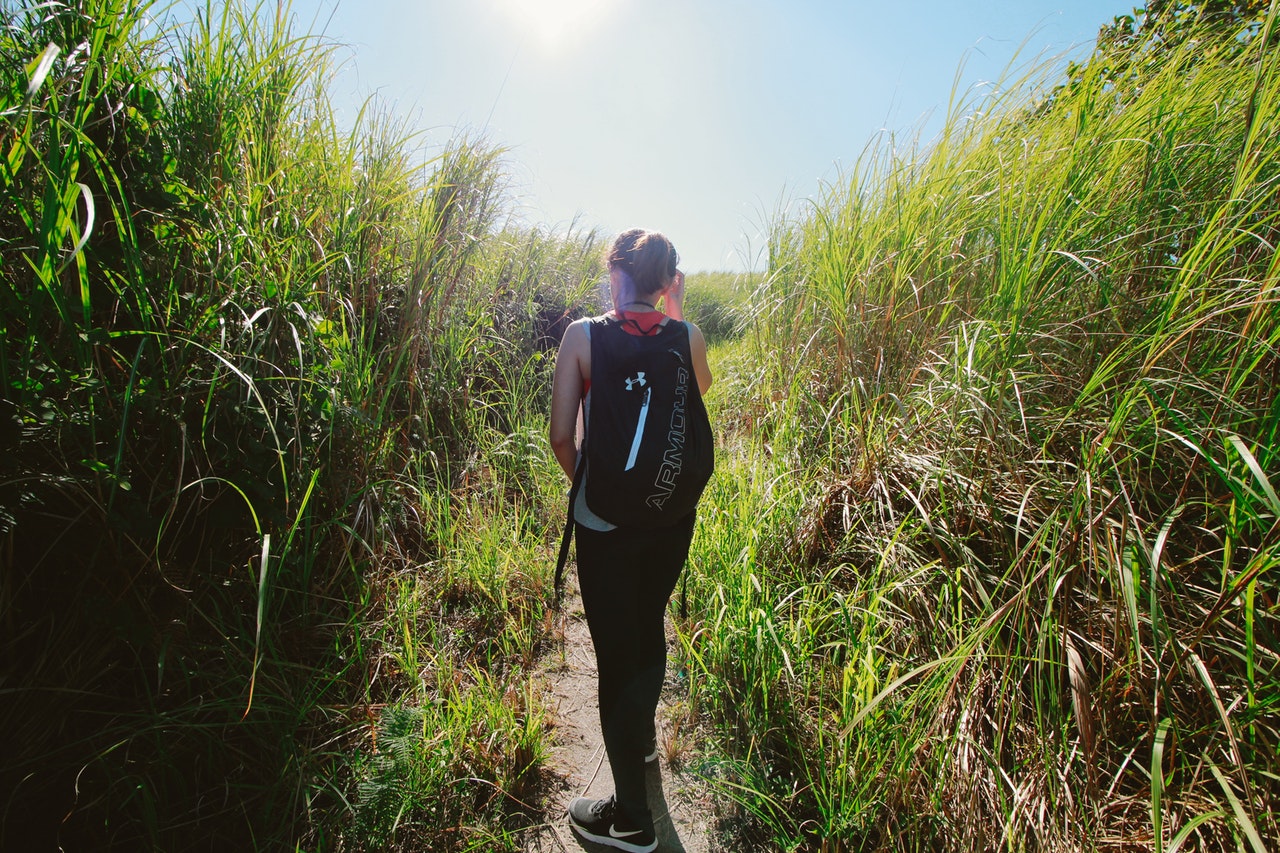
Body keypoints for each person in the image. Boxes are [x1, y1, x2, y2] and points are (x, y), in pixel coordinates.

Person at [549, 228, 713, 852]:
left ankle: (631, 822)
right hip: (672, 517)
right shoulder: (689, 336)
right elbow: (690, 398)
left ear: (614, 274)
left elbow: (563, 436)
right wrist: (673, 307)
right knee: (647, 624)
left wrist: (595, 489)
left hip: (606, 525)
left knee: (615, 656)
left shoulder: (583, 336)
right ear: (669, 281)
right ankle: (641, 737)